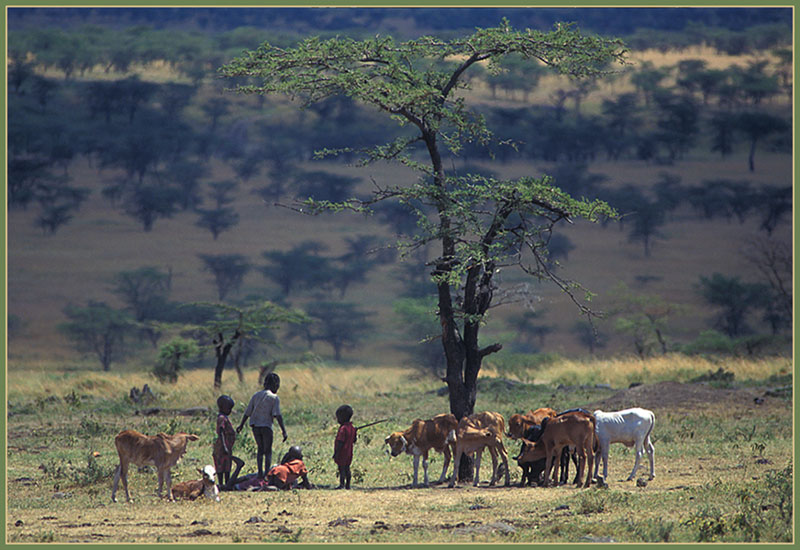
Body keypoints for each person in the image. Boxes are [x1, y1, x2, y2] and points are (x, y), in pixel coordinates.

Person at [236, 372, 287, 479]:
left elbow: (247, 412)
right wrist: (284, 431)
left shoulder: (256, 395)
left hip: (255, 426)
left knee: (260, 449)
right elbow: (277, 415)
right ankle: (267, 474)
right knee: (267, 451)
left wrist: (241, 425)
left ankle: (260, 473)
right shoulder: (274, 398)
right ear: (276, 385)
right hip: (266, 426)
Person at [213, 395, 245, 490]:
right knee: (221, 464)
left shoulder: (224, 417)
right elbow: (221, 432)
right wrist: (224, 446)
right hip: (223, 446)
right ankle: (222, 483)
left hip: (227, 445)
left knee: (227, 464)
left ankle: (227, 483)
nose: (230, 411)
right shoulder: (222, 418)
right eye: (229, 408)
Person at [333, 404, 357, 489]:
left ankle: (342, 484)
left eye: (338, 417)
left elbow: (340, 442)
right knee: (347, 468)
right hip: (349, 452)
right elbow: (354, 440)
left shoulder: (343, 428)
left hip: (342, 452)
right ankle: (348, 485)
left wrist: (336, 453)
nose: (337, 420)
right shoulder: (352, 428)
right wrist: (354, 432)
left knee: (341, 468)